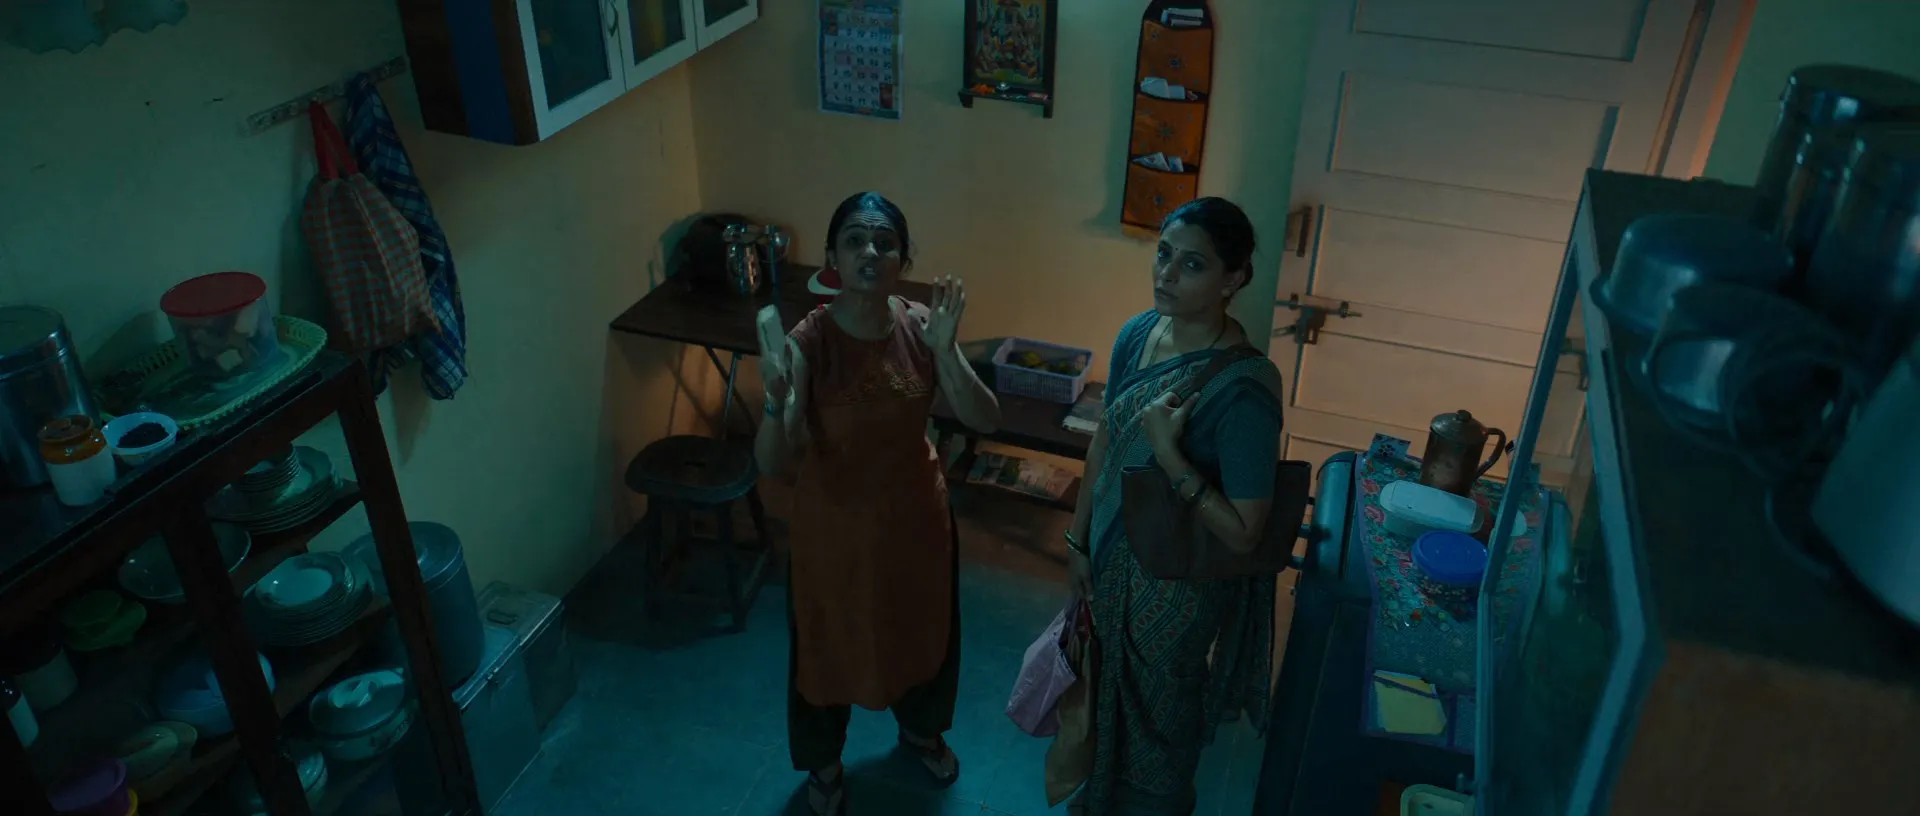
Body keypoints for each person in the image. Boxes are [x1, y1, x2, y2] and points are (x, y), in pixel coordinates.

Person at [754, 192, 1002, 816]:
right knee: (826, 648)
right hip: (833, 534)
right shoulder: (810, 342)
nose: (871, 252)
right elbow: (771, 461)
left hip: (916, 523)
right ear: (833, 256)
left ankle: (921, 731)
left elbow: (986, 418)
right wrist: (775, 402)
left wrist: (947, 351)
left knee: (923, 632)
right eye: (856, 240)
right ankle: (824, 762)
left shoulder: (922, 326)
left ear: (903, 258)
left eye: (885, 242)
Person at [1063, 197, 1284, 814]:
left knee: (1159, 728)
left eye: (1193, 264)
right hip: (1107, 563)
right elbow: (1105, 440)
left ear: (1233, 279)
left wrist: (1168, 453)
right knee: (1100, 699)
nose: (1166, 274)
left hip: (1175, 594)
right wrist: (1077, 540)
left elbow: (1244, 533)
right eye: (1164, 254)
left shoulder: (1246, 389)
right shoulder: (1138, 334)